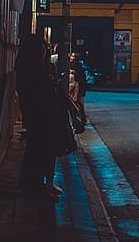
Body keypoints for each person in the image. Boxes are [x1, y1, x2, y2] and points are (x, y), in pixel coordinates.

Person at [15, 31, 70, 200]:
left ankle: (42, 184)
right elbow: (36, 95)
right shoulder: (30, 72)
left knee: (44, 149)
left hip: (42, 115)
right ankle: (36, 186)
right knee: (38, 149)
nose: (44, 52)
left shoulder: (38, 68)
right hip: (38, 116)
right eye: (41, 49)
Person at [67, 51, 88, 128]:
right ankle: (80, 118)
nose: (71, 58)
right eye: (71, 56)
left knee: (77, 103)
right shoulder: (71, 65)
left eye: (73, 57)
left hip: (77, 87)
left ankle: (81, 118)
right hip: (74, 87)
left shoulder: (78, 66)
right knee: (76, 103)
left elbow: (80, 78)